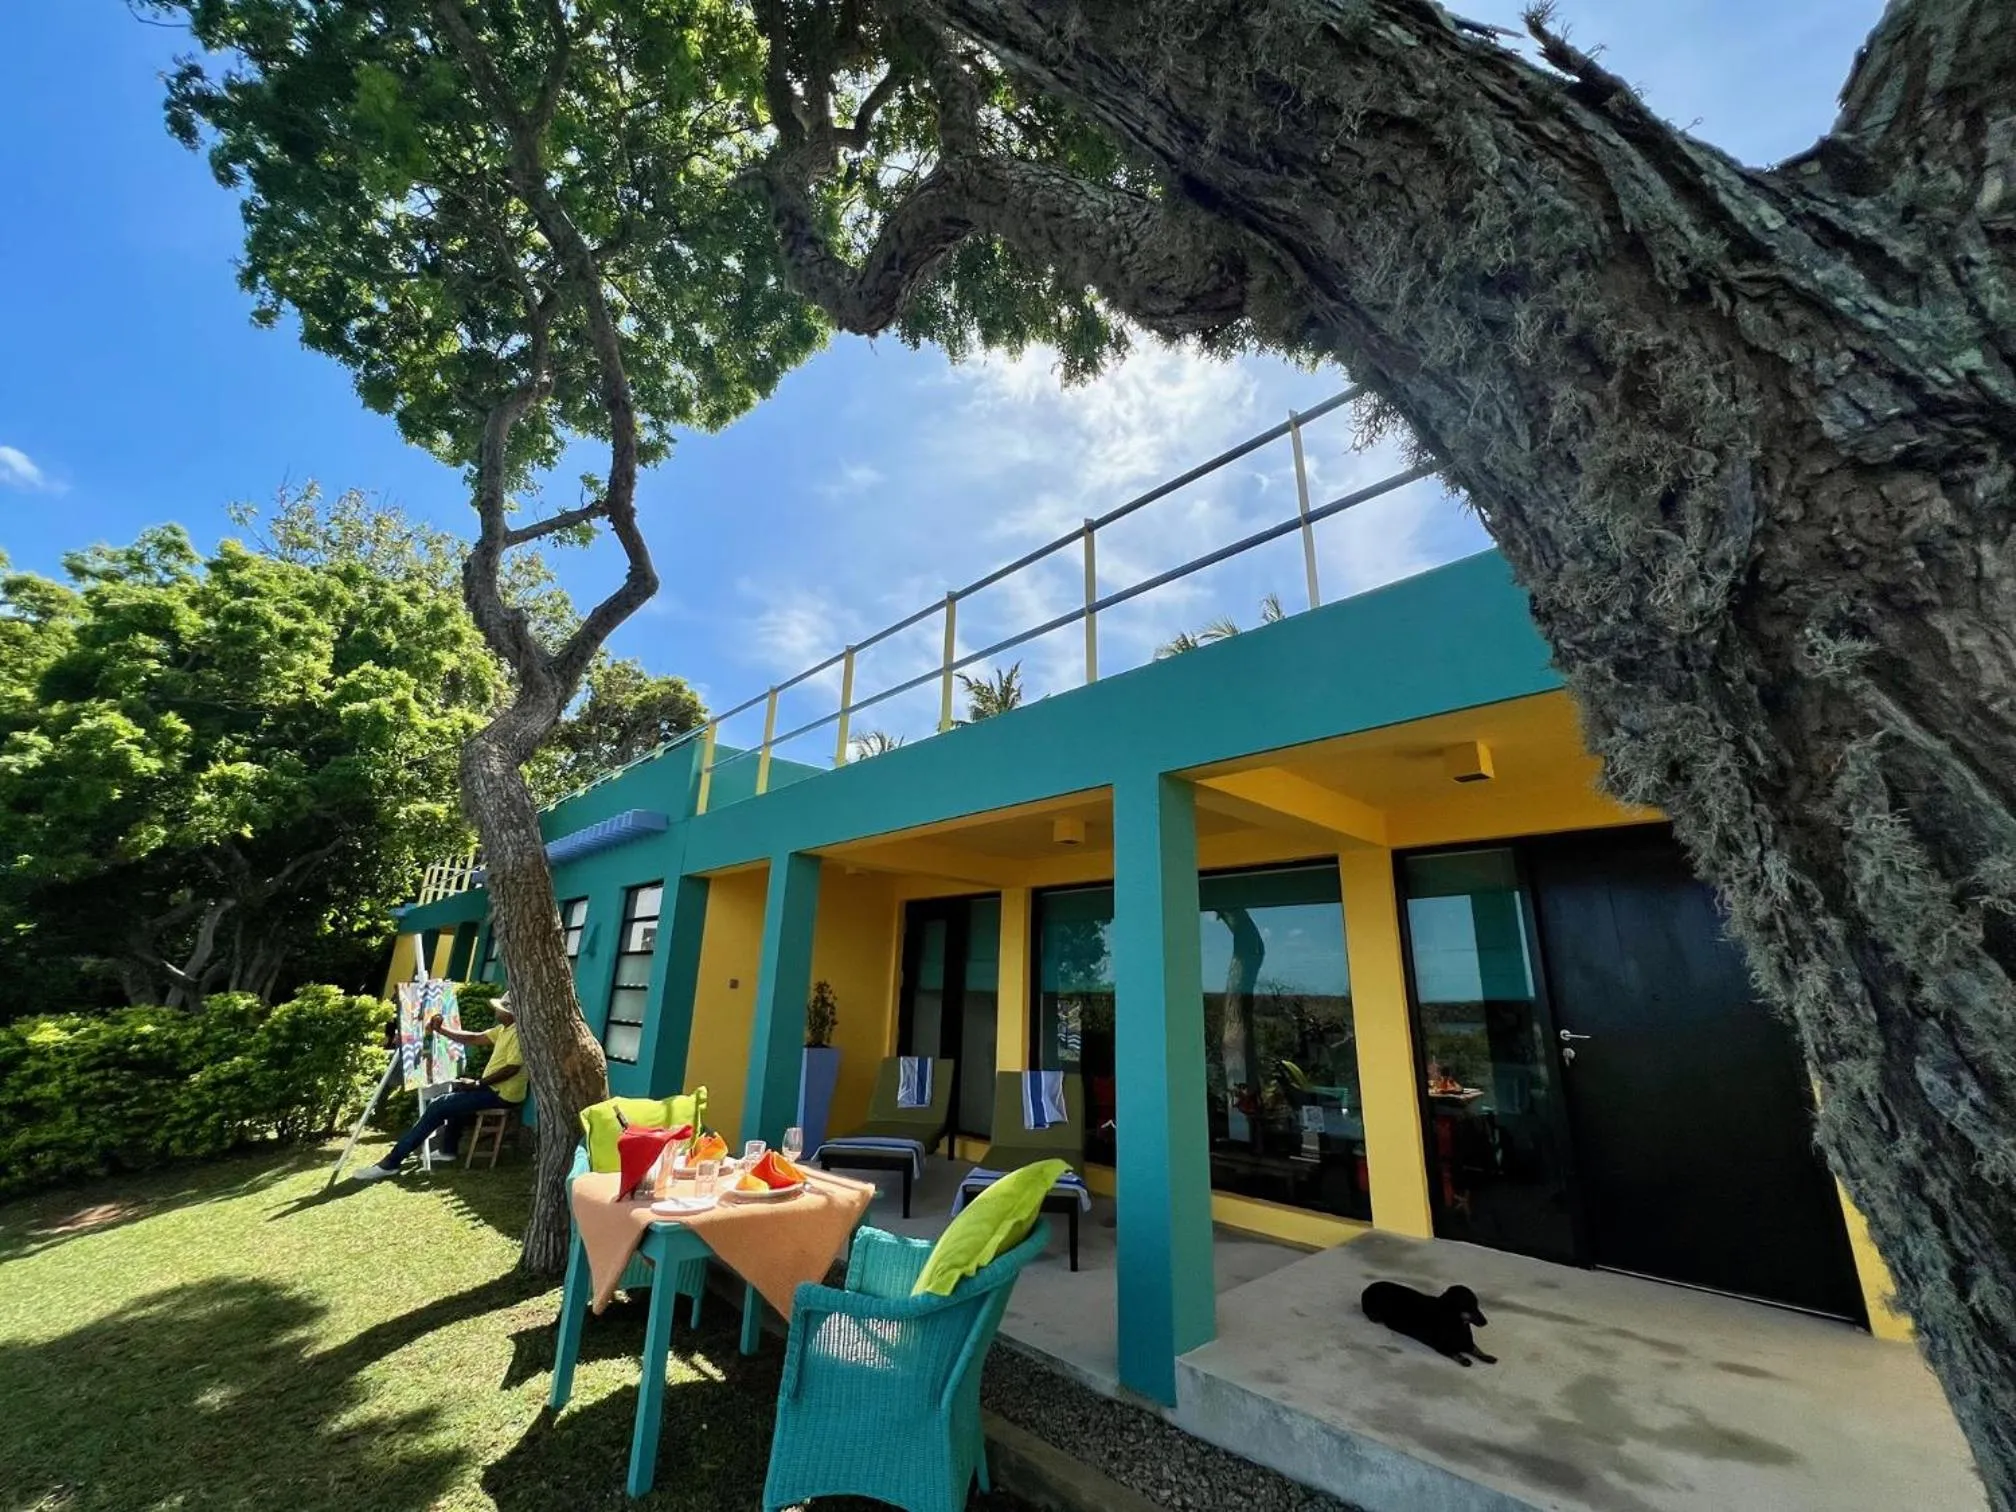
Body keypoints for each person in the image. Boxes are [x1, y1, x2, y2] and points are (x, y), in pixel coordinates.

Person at [353, 997, 528, 1181]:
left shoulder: (518, 1034)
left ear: (510, 1013)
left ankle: (391, 1162)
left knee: (439, 1105)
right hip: (492, 1089)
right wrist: (441, 1030)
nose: (496, 1012)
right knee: (457, 1097)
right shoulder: (504, 1030)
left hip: (502, 1094)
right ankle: (448, 1151)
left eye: (499, 1009)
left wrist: (478, 1084)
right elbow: (474, 1038)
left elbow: (512, 1068)